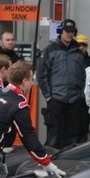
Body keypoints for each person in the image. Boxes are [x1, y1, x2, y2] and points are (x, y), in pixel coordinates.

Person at [37, 18, 86, 149]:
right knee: (54, 134)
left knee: (72, 134)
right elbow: (41, 74)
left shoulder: (79, 51)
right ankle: (50, 161)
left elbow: (84, 75)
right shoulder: (50, 50)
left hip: (75, 99)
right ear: (61, 31)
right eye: (67, 31)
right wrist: (48, 95)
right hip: (56, 99)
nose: (70, 34)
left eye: (72, 31)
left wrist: (81, 94)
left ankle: (69, 162)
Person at [75, 33, 90, 143]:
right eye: (79, 45)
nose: (81, 47)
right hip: (73, 100)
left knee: (84, 128)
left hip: (86, 101)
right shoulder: (71, 60)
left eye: (84, 45)